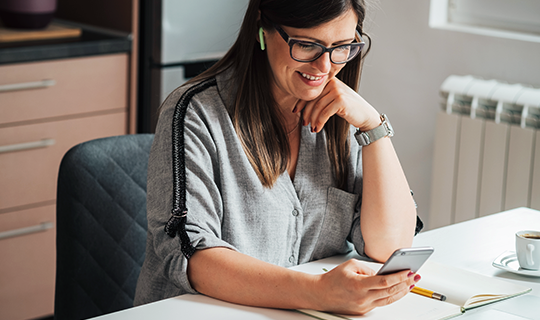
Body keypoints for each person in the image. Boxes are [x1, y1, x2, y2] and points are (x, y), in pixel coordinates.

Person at [135, 0, 423, 315]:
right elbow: (191, 255)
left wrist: (374, 128)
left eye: (341, 47)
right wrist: (316, 293)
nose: (324, 67)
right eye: (306, 45)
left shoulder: (341, 116)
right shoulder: (195, 112)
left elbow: (391, 247)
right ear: (263, 28)